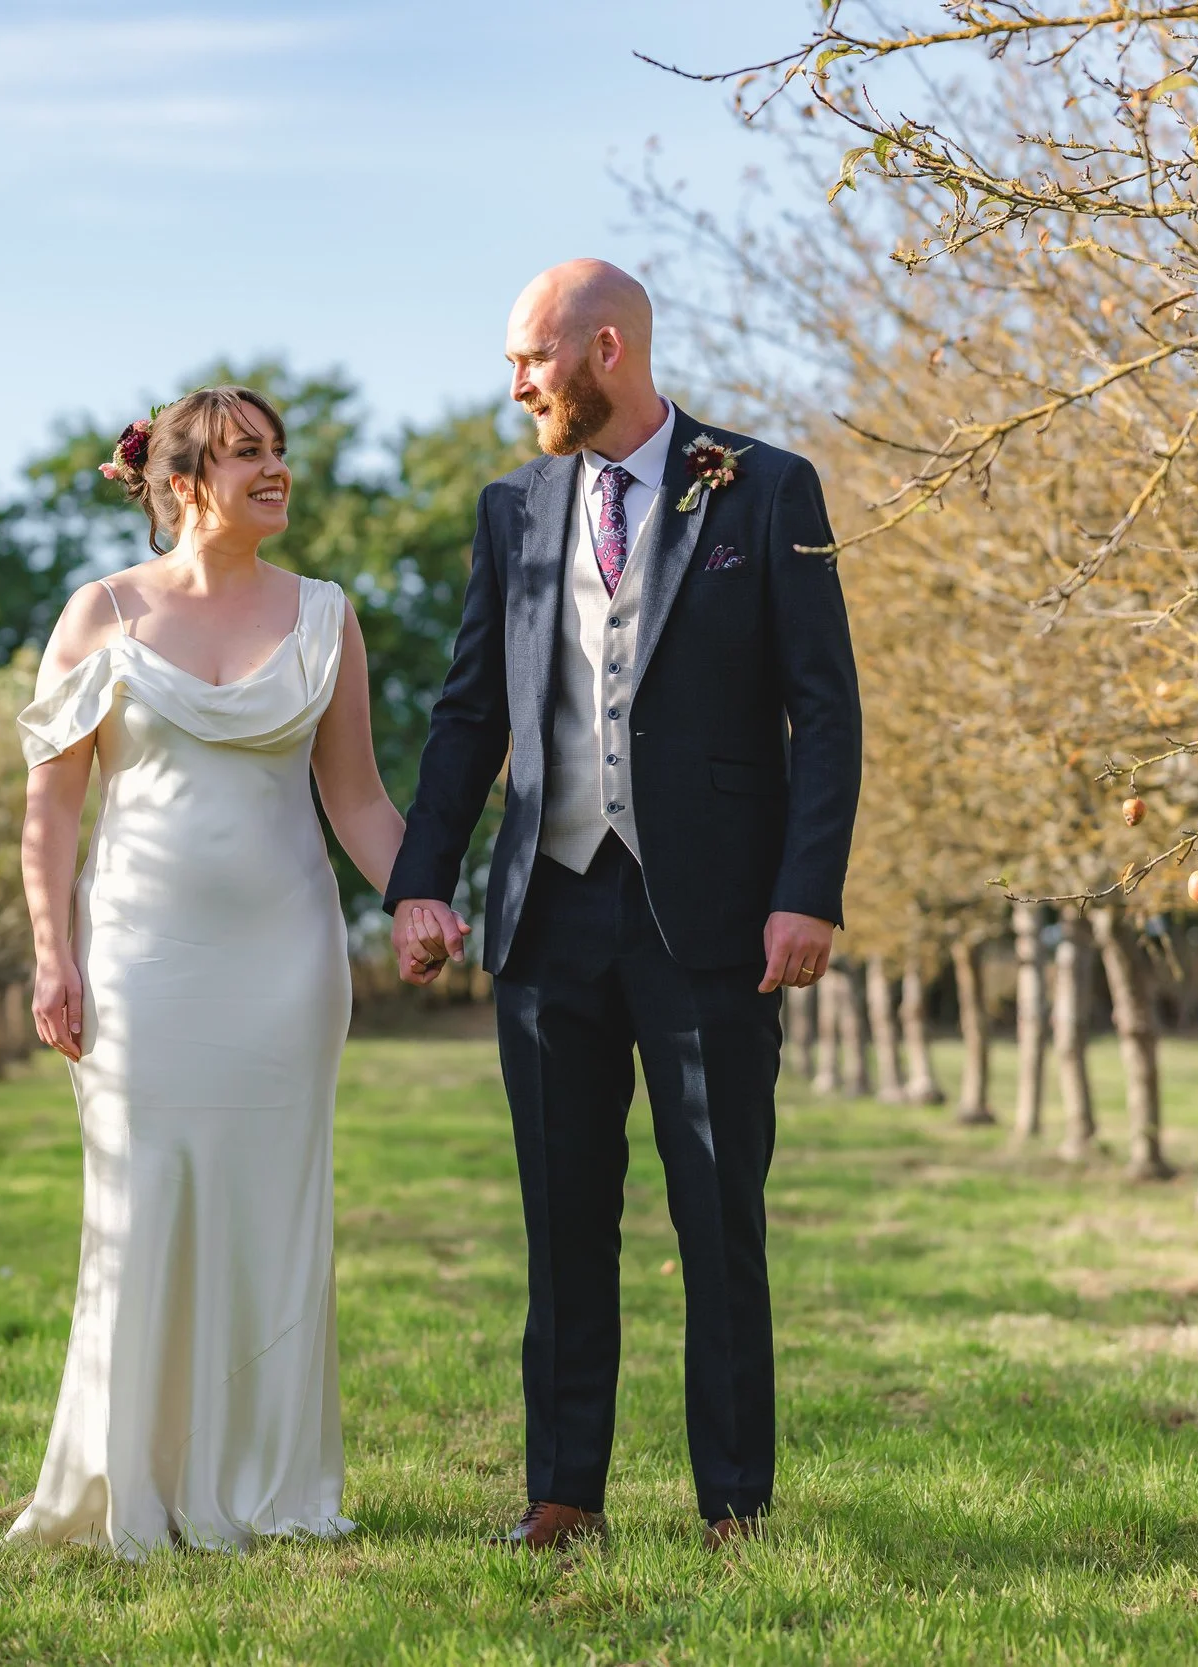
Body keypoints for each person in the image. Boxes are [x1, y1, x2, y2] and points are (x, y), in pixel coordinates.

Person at [387, 259, 864, 1551]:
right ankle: (564, 1492)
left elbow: (823, 710)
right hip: (548, 916)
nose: (517, 384)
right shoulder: (513, 507)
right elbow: (472, 709)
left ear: (605, 350)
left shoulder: (765, 487)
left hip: (713, 919)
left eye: (529, 360)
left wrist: (804, 893)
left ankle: (733, 1505)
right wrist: (422, 872)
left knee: (719, 1219)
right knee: (562, 1219)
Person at [7, 385, 422, 1558]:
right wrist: (53, 952)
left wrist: (419, 897)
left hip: (287, 964)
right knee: (140, 1209)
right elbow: (49, 810)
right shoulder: (100, 614)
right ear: (180, 482)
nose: (272, 468)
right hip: (138, 962)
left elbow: (356, 797)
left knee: (268, 1212)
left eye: (277, 449)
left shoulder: (325, 615)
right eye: (243, 454)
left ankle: (268, 1485)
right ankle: (126, 1482)